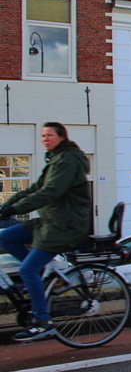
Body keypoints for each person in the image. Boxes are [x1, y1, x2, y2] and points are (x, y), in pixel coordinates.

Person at [0, 122, 91, 342]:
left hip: (65, 226)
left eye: (50, 135)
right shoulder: (55, 159)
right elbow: (35, 188)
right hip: (51, 221)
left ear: (61, 137)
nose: (45, 139)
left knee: (27, 269)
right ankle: (40, 278)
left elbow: (50, 192)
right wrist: (6, 206)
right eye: (43, 135)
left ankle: (43, 322)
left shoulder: (68, 160)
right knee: (4, 237)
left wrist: (16, 209)